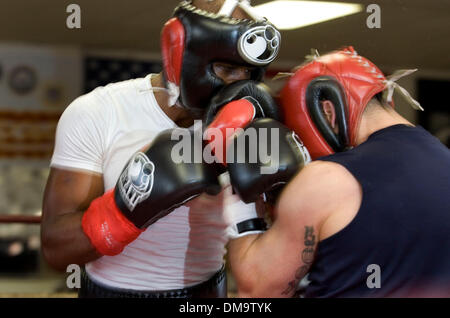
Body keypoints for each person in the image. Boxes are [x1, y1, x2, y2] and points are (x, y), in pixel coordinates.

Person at [41, 0, 281, 298]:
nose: (237, 85)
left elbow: (266, 259)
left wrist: (279, 195)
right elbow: (55, 248)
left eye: (248, 72)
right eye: (227, 68)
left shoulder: (250, 125)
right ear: (185, 55)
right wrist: (123, 211)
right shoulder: (99, 112)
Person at [224, 47, 450, 297]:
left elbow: (257, 290)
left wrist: (238, 193)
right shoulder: (444, 160)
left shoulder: (327, 179)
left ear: (328, 112)